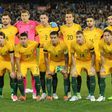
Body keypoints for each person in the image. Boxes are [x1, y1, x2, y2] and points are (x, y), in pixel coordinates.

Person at [36, 12, 59, 100]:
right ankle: (44, 92)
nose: (43, 20)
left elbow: (60, 32)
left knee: (54, 74)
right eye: (41, 18)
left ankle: (54, 93)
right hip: (42, 53)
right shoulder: (37, 28)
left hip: (52, 53)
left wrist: (58, 26)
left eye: (44, 18)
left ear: (47, 18)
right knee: (42, 74)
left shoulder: (53, 27)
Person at [60, 10, 82, 99]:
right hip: (65, 55)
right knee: (66, 74)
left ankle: (78, 92)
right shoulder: (62, 28)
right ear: (65, 18)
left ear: (73, 18)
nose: (68, 18)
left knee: (77, 74)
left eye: (70, 17)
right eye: (66, 17)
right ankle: (67, 93)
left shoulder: (78, 27)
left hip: (75, 54)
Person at [70, 31, 96, 102]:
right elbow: (72, 55)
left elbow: (93, 55)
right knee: (73, 74)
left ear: (83, 36)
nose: (78, 39)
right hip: (79, 61)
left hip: (88, 61)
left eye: (80, 37)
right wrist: (74, 66)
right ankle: (75, 95)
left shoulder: (89, 43)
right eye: (77, 37)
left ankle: (91, 95)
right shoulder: (73, 44)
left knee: (91, 74)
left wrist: (92, 66)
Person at [15, 32, 41, 101]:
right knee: (20, 77)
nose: (23, 40)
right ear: (19, 39)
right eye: (21, 39)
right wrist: (19, 72)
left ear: (27, 39)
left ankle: (38, 95)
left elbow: (41, 45)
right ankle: (23, 95)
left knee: (36, 76)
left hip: (33, 62)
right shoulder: (17, 47)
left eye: (24, 39)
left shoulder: (33, 43)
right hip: (23, 63)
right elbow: (17, 60)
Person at [44, 31, 69, 101]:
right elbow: (45, 57)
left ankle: (66, 95)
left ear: (58, 37)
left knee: (65, 74)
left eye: (55, 37)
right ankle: (49, 95)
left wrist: (66, 68)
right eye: (51, 38)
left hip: (61, 62)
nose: (53, 39)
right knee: (48, 75)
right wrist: (48, 69)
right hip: (52, 62)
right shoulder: (46, 45)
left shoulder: (63, 45)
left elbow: (67, 57)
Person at [83, 16, 103, 99]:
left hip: (98, 57)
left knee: (99, 75)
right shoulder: (83, 32)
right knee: (89, 76)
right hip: (88, 58)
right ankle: (90, 93)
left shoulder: (100, 32)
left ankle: (101, 94)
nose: (89, 22)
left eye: (91, 21)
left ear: (94, 22)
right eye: (87, 21)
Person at [0, 31, 17, 101]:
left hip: (9, 61)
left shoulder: (9, 45)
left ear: (4, 39)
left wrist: (13, 71)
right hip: (1, 61)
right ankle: (0, 93)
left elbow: (12, 58)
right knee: (0, 77)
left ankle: (13, 94)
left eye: (1, 38)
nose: (0, 39)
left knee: (12, 77)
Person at [97, 29, 112, 101]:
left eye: (108, 35)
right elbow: (102, 55)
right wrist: (102, 66)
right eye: (105, 36)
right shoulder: (101, 43)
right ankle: (102, 96)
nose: (106, 37)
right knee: (102, 74)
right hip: (106, 61)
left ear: (111, 36)